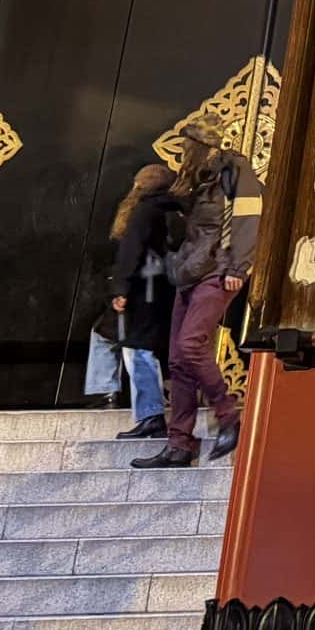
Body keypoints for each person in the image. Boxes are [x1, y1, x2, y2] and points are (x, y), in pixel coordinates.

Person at [135, 132, 259, 470]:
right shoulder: (197, 180)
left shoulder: (234, 170)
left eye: (187, 147)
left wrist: (239, 266)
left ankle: (227, 415)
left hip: (218, 271)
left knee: (191, 345)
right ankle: (178, 444)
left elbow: (249, 218)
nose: (182, 154)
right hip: (190, 271)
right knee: (177, 359)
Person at [106, 161, 184, 441]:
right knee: (160, 349)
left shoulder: (144, 212)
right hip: (169, 287)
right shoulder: (177, 211)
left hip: (145, 287)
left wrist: (121, 287)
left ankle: (151, 415)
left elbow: (132, 250)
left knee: (137, 350)